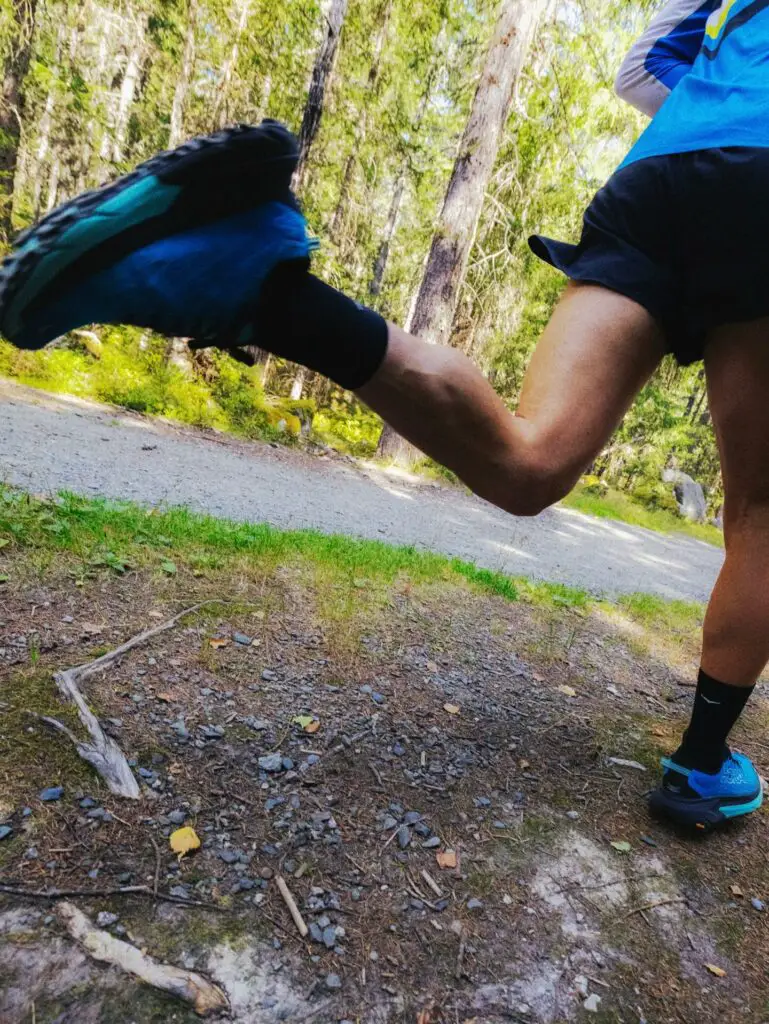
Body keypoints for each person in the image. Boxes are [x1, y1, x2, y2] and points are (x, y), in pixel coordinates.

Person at [1, 0, 766, 830]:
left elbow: (642, 68)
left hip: (663, 173)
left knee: (531, 461)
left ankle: (264, 292)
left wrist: (716, 123)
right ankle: (700, 769)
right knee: (759, 517)